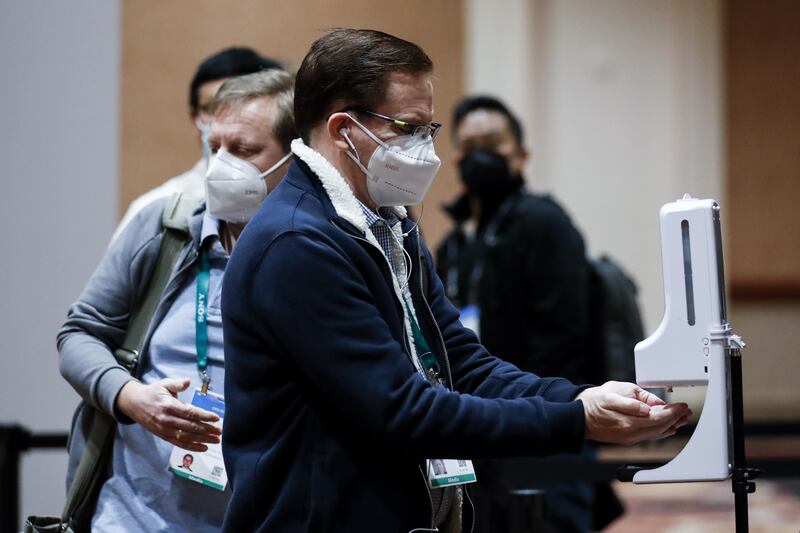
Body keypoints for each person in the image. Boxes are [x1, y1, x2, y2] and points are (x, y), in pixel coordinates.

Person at [221, 28, 690, 533]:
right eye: (409, 127)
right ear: (342, 130)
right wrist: (576, 422)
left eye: (429, 128)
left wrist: (576, 398)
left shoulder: (388, 222)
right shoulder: (295, 243)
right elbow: (402, 411)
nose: (426, 147)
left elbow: (460, 362)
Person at [58, 69, 295, 532]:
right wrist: (130, 396)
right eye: (216, 148)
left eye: (244, 150)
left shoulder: (321, 259)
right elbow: (79, 334)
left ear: (296, 157)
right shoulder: (164, 229)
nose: (221, 165)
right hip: (132, 517)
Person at [436, 95, 598, 531]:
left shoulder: (544, 223)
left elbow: (564, 335)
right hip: (482, 428)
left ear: (522, 153)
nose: (481, 156)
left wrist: (528, 409)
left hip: (545, 422)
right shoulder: (452, 244)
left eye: (494, 144)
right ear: (455, 159)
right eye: (470, 147)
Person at [110, 47, 283, 242]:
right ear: (194, 118)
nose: (227, 117)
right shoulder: (156, 213)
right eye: (213, 107)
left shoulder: (304, 212)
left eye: (242, 104)